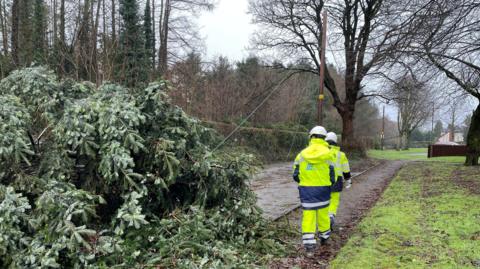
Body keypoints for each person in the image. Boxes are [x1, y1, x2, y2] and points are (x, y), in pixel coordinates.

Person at [293, 126, 336, 257]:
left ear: (311, 137)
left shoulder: (301, 154)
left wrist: (306, 180)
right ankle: (324, 238)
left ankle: (309, 246)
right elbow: (332, 176)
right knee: (323, 214)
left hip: (306, 191)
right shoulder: (329, 153)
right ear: (324, 138)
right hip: (323, 190)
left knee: (308, 217)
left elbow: (295, 175)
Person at [325, 132, 351, 228]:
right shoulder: (341, 155)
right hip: (337, 180)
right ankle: (331, 216)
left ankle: (324, 219)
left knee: (324, 200)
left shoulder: (322, 153)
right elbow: (346, 169)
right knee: (334, 200)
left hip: (323, 179)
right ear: (336, 141)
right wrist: (348, 180)